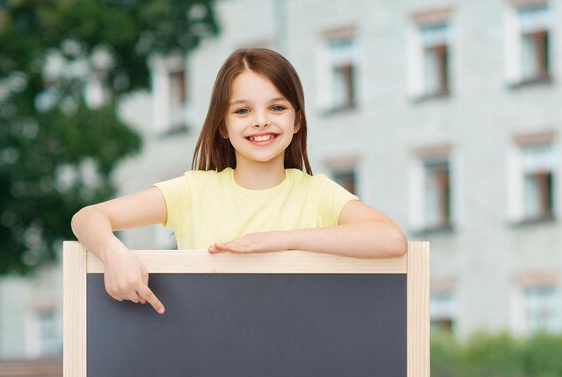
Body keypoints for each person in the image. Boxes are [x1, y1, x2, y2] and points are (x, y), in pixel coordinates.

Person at [71, 48, 407, 315]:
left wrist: (281, 241)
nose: (261, 122)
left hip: (300, 366)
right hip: (208, 362)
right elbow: (88, 217)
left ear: (297, 122)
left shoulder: (316, 193)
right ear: (223, 126)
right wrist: (114, 254)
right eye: (243, 111)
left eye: (277, 108)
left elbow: (390, 240)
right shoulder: (194, 191)